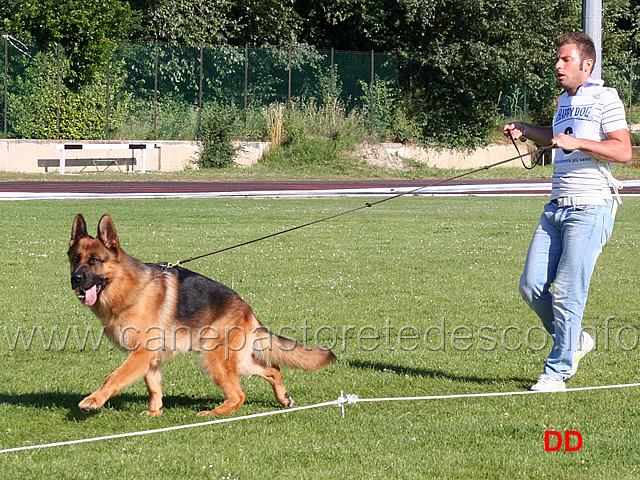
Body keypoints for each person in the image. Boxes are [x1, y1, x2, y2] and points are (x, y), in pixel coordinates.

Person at [504, 32, 632, 392]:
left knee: (567, 293)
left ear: (586, 65)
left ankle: (557, 372)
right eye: (557, 60)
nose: (558, 66)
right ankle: (574, 342)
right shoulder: (563, 100)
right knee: (531, 287)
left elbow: (623, 151)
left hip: (591, 207)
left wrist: (579, 143)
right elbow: (557, 135)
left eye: (565, 60)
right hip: (556, 207)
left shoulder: (605, 98)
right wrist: (528, 131)